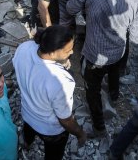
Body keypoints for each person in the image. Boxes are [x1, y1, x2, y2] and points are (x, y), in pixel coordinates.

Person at [66, 0, 138, 135]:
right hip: (118, 52)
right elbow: (137, 38)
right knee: (114, 70)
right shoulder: (135, 1)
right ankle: (114, 94)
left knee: (92, 90)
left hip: (94, 54)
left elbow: (71, 8)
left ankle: (99, 127)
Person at [13, 26, 86, 159]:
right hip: (50, 130)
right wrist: (80, 133)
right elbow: (65, 120)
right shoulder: (62, 81)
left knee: (28, 131)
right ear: (52, 53)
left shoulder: (24, 48)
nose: (71, 52)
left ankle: (26, 143)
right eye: (68, 50)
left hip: (27, 114)